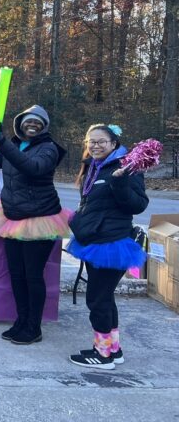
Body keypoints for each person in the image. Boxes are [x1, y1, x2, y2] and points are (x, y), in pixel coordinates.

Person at [0, 105, 71, 345]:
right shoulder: (14, 146)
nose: (33, 124)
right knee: (16, 274)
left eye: (38, 121)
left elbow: (34, 168)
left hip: (40, 220)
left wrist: (4, 143)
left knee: (33, 276)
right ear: (20, 124)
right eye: (28, 121)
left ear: (44, 126)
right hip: (12, 218)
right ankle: (21, 320)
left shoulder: (49, 149)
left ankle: (33, 326)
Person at [67, 124, 148, 370]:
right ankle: (113, 348)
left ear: (114, 143)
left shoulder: (126, 168)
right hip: (94, 239)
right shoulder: (93, 166)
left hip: (111, 244)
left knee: (97, 299)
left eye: (101, 141)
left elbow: (138, 205)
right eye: (91, 141)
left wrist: (120, 183)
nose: (95, 146)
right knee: (105, 297)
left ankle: (101, 355)